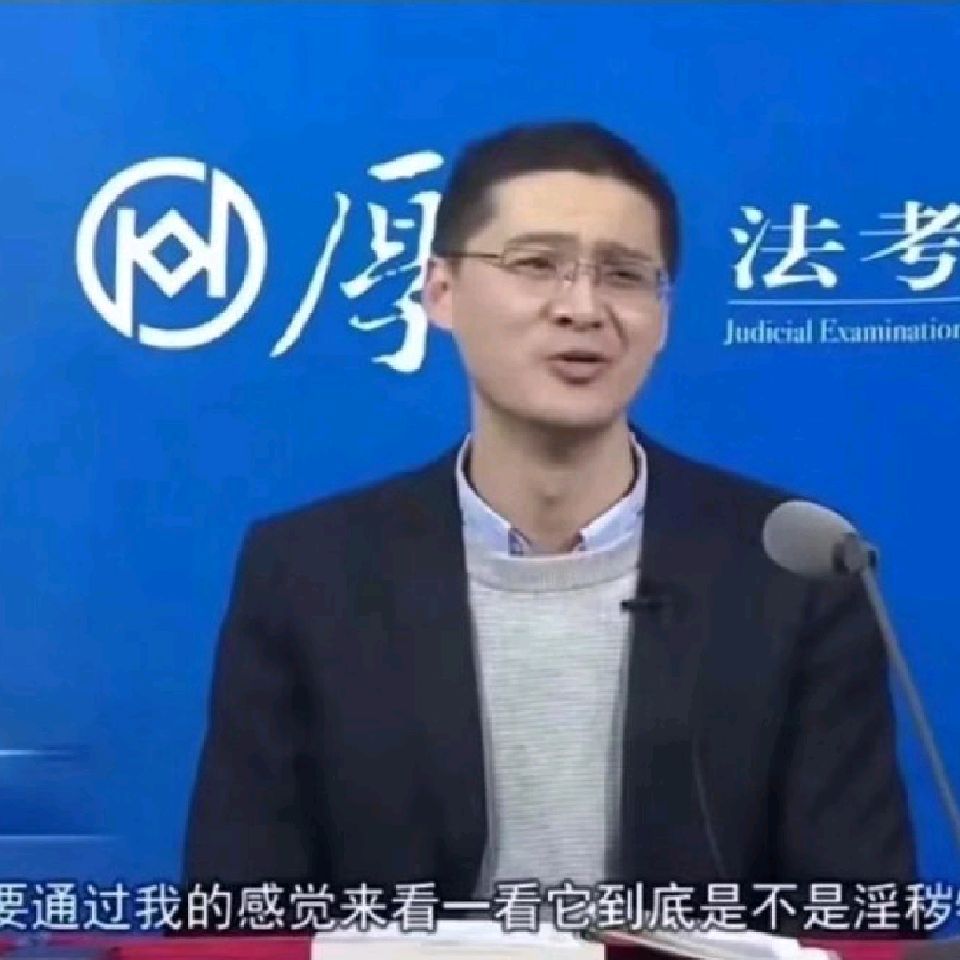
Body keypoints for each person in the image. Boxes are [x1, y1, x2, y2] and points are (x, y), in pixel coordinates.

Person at [184, 120, 916, 919]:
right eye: (536, 265)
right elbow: (237, 913)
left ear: (664, 317)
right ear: (441, 292)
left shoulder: (794, 568)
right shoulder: (309, 573)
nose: (582, 308)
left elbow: (861, 913)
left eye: (625, 275)